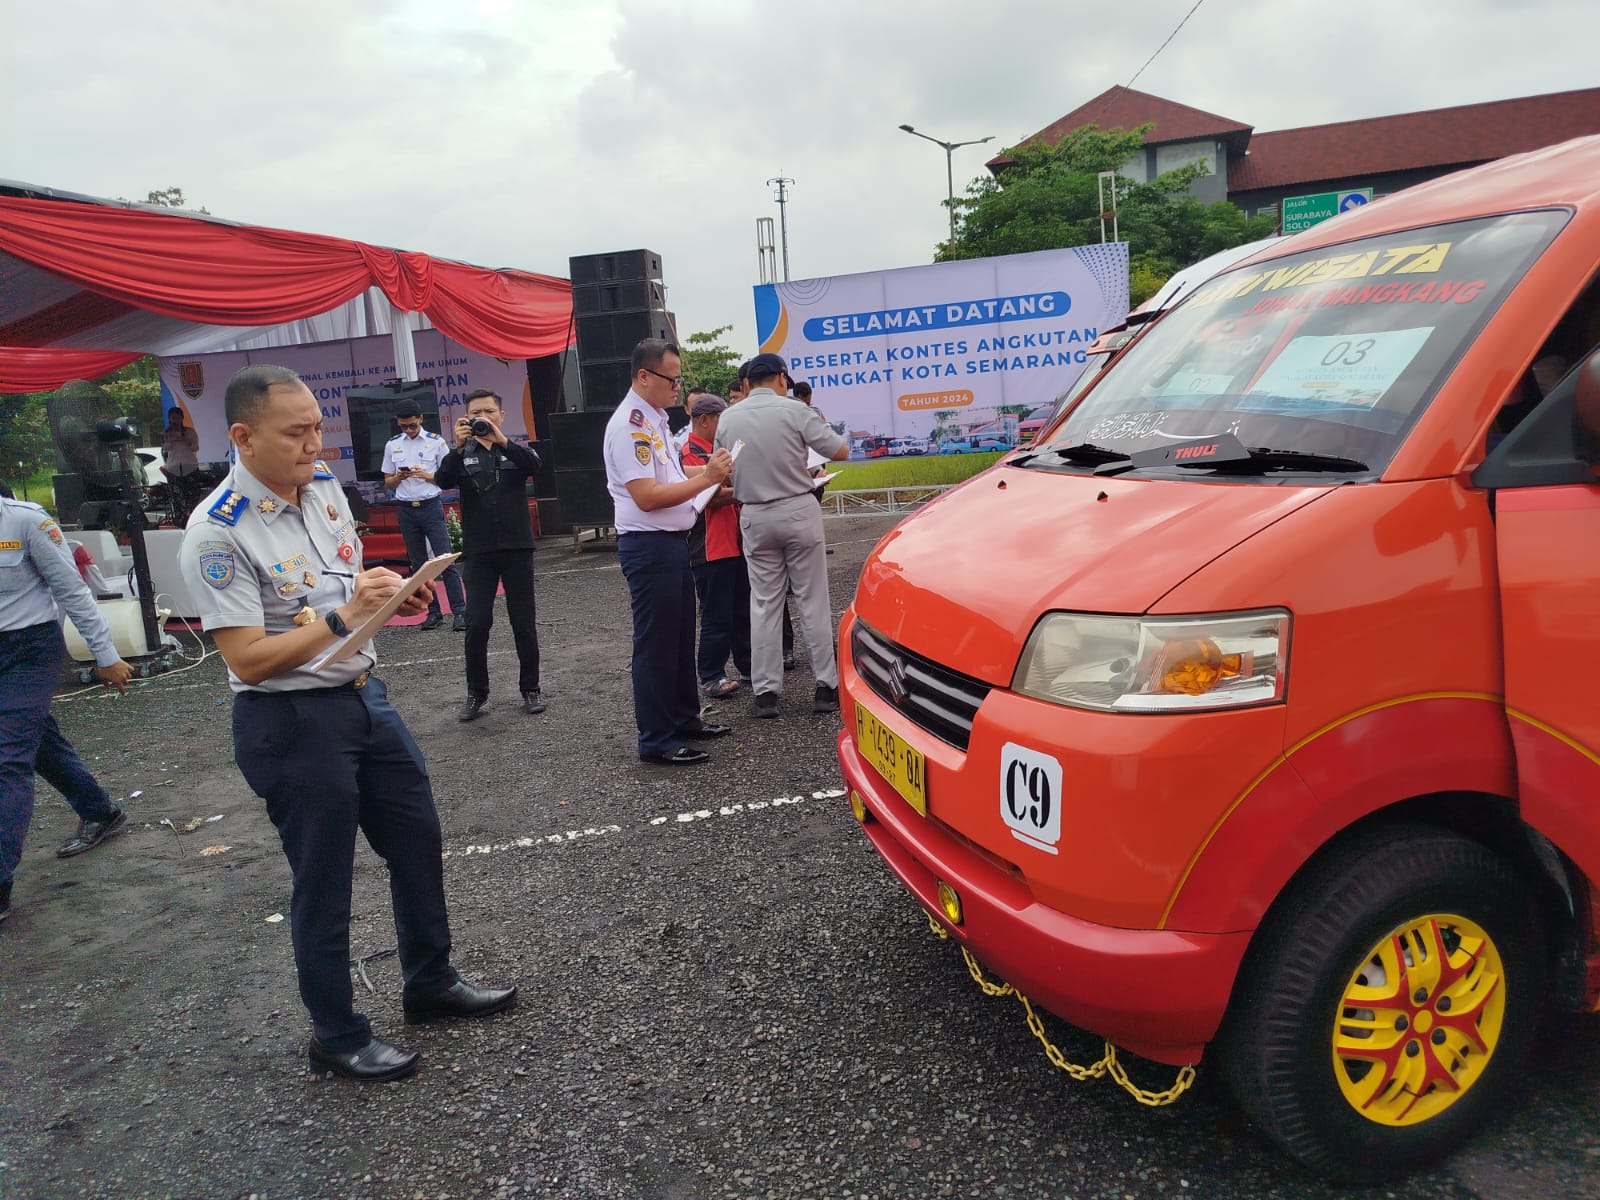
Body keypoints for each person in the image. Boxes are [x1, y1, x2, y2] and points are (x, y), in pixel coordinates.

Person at [179, 364, 515, 1082]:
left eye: (316, 429)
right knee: (325, 879)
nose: (313, 444)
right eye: (296, 433)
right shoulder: (217, 531)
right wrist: (345, 616)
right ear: (242, 437)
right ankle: (336, 1033)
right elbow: (249, 658)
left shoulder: (326, 489)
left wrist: (391, 597)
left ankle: (430, 981)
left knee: (418, 840)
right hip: (290, 719)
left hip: (363, 695)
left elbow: (345, 586)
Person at [1, 484, 136, 925]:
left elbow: (72, 590)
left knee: (7, 760)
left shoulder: (25, 521)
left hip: (28, 650)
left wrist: (106, 654)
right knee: (33, 740)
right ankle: (99, 810)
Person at [602, 339, 735, 765]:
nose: (678, 387)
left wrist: (712, 470)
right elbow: (648, 495)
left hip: (672, 545)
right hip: (649, 547)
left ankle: (684, 720)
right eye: (671, 379)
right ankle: (657, 738)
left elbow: (673, 473)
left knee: (679, 640)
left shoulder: (655, 420)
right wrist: (707, 478)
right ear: (644, 376)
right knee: (657, 644)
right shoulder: (630, 426)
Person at [714, 353, 848, 719]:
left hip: (754, 515)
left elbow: (721, 473)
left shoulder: (727, 418)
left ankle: (766, 693)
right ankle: (825, 686)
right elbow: (840, 451)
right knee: (812, 600)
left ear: (747, 384)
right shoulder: (794, 410)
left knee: (764, 603)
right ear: (782, 379)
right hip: (797, 510)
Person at [432, 389, 545, 721]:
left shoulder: (513, 452)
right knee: (477, 623)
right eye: (475, 413)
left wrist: (501, 440)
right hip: (479, 551)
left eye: (488, 412)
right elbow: (441, 481)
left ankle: (531, 688)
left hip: (517, 549)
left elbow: (535, 466)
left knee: (523, 623)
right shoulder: (461, 455)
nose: (483, 417)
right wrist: (457, 446)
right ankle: (476, 693)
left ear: (501, 415)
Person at [679, 393, 751, 699]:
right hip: (709, 547)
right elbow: (710, 496)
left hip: (733, 544)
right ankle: (711, 674)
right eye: (722, 419)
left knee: (743, 611)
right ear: (704, 420)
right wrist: (750, 490)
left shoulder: (715, 451)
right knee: (716, 614)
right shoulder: (689, 454)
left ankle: (749, 667)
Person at [380, 400, 467, 632]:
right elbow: (387, 482)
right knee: (418, 565)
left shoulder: (435, 442)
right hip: (406, 508)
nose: (408, 430)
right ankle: (433, 612)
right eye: (403, 427)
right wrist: (399, 477)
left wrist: (425, 474)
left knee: (444, 559)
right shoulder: (393, 445)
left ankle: (460, 611)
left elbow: (447, 476)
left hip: (430, 505)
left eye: (411, 425)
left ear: (420, 419)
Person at [160, 407, 200, 478]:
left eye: (178, 418)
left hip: (190, 466)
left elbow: (195, 448)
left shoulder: (190, 431)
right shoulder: (165, 433)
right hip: (173, 468)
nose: (176, 420)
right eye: (173, 418)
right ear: (169, 419)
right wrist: (171, 438)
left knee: (192, 488)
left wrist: (186, 439)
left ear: (182, 418)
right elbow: (166, 449)